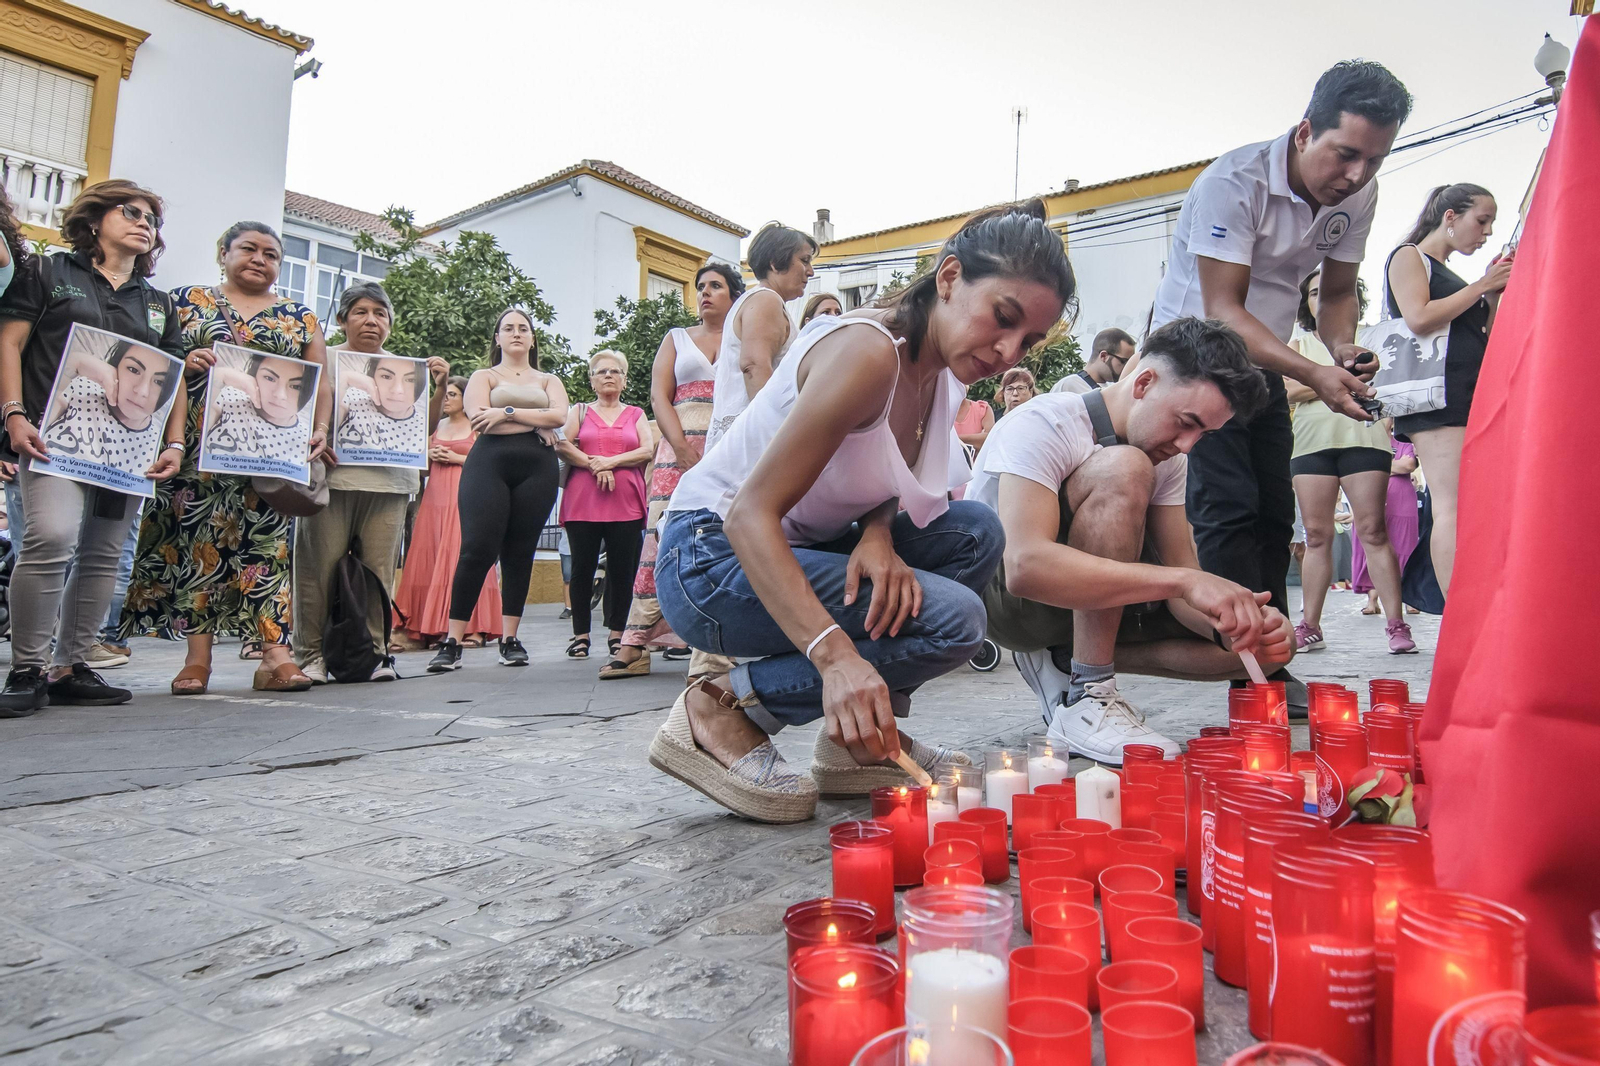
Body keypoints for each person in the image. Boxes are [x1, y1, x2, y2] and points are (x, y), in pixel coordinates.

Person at [651, 200, 1075, 823]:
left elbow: (875, 461)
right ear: (950, 278)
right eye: (1003, 318)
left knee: (974, 532)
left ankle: (853, 750)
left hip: (806, 543)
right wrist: (835, 658)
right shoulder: (867, 352)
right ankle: (724, 709)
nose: (1009, 351)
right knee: (957, 620)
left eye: (1029, 340)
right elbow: (748, 515)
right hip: (709, 561)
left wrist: (877, 533)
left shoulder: (948, 371)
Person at [1149, 60, 1412, 712]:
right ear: (1304, 133)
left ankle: (1269, 659)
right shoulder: (1233, 184)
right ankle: (1244, 672)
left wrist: (1342, 348)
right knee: (1228, 510)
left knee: (1273, 511)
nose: (1356, 175)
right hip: (1195, 359)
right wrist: (1315, 372)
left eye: (1374, 161)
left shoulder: (1357, 193)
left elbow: (1340, 293)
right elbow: (1223, 309)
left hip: (1264, 361)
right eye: (1345, 154)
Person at [978, 318, 1291, 760]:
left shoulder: (1170, 458)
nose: (1187, 445)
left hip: (1095, 603)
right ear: (1143, 382)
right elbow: (1025, 569)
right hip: (1012, 605)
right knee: (1125, 465)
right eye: (1186, 422)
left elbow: (1182, 582)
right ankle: (1088, 694)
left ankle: (1068, 660)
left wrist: (1230, 624)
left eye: (1204, 434)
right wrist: (1182, 581)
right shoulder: (1044, 422)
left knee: (1271, 647)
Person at [120, 220, 332, 696]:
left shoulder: (301, 317)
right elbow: (153, 361)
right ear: (224, 252)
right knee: (198, 546)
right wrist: (187, 360)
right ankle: (198, 659)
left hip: (271, 456)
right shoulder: (183, 301)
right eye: (250, 249)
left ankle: (277, 654)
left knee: (268, 549)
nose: (260, 259)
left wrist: (319, 429)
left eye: (271, 254)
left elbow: (321, 381)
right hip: (196, 449)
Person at [0, 180, 186, 714]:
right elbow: (9, 342)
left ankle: (71, 665)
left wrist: (173, 442)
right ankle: (26, 669)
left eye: (153, 218)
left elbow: (169, 378)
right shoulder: (47, 271)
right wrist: (12, 414)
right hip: (52, 438)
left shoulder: (156, 303)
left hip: (126, 452)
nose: (145, 223)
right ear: (95, 217)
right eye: (132, 211)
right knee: (51, 538)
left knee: (104, 554)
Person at [293, 283, 447, 683]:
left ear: (390, 325)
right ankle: (311, 655)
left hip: (391, 485)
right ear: (343, 319)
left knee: (378, 572)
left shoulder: (404, 369)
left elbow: (422, 429)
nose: (371, 321)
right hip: (331, 481)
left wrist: (440, 387)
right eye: (360, 312)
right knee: (317, 572)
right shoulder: (322, 358)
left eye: (380, 314)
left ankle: (377, 654)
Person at [608, 263, 743, 679]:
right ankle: (635, 640)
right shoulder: (676, 339)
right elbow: (658, 396)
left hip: (730, 450)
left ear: (734, 295)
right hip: (678, 448)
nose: (705, 293)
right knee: (661, 536)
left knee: (724, 538)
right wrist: (681, 447)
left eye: (716, 286)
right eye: (701, 286)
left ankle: (718, 641)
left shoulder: (747, 341)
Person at [1384, 183, 1508, 595]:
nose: (1486, 231)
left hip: (1464, 395)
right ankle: (1458, 618)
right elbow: (1418, 317)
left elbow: (1479, 333)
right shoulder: (1409, 256)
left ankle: (1467, 608)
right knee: (1451, 506)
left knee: (1466, 506)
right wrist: (1481, 287)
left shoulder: (1451, 273)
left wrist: (1488, 294)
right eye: (1482, 220)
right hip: (1438, 399)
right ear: (1450, 216)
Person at [427, 308, 567, 672]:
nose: (517, 333)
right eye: (508, 328)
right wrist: (530, 420)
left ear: (533, 338)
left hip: (538, 469)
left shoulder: (548, 378)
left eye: (524, 328)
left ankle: (510, 638)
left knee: (520, 552)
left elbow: (559, 417)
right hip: (488, 464)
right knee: (476, 549)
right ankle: (452, 640)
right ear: (498, 338)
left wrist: (504, 412)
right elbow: (480, 420)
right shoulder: (483, 375)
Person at [1286, 268, 1415, 654]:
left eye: (1328, 292)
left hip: (1365, 438)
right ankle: (1310, 625)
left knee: (1373, 531)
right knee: (1317, 535)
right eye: (1312, 293)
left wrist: (1320, 383)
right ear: (1305, 302)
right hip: (1310, 445)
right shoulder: (1296, 342)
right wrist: (1337, 379)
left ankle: (1396, 623)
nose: (1320, 299)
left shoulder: (1370, 340)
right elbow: (1286, 392)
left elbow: (1384, 386)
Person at [556, 350, 653, 666]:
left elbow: (647, 450)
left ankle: (617, 635)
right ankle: (580, 636)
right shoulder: (580, 411)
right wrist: (594, 465)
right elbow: (562, 443)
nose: (608, 375)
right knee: (582, 568)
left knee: (623, 571)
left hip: (625, 501)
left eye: (615, 371)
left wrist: (610, 461)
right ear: (591, 380)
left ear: (625, 380)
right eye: (601, 371)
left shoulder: (636, 414)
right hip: (583, 499)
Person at [393, 376, 501, 646]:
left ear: (466, 399)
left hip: (465, 497)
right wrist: (428, 457)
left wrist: (456, 458)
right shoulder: (435, 426)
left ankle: (475, 627)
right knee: (428, 556)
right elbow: (422, 470)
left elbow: (490, 465)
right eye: (446, 394)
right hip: (433, 498)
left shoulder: (477, 427)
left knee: (462, 556)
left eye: (452, 394)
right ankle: (426, 627)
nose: (447, 399)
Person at [704, 223, 815, 449]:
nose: (810, 271)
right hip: (752, 441)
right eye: (804, 260)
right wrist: (776, 439)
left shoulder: (760, 300)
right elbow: (754, 366)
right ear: (775, 262)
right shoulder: (766, 299)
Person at [41, 340, 180, 476]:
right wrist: (75, 362)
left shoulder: (155, 443)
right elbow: (40, 423)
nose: (142, 391)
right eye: (133, 370)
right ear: (115, 365)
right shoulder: (83, 389)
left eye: (159, 382)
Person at [201, 352, 316, 464]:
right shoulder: (230, 399)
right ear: (255, 373)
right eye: (269, 378)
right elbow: (196, 430)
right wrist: (221, 375)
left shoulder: (307, 438)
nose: (280, 395)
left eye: (296, 386)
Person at [1353, 435, 1421, 615]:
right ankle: (1372, 600)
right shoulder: (1364, 442)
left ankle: (1409, 598)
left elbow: (1408, 465)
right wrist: (1393, 467)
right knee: (1371, 544)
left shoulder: (1403, 443)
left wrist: (1377, 467)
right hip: (1371, 496)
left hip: (1402, 499)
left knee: (1405, 546)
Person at [335, 351, 430, 456]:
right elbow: (324, 429)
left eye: (410, 379)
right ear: (372, 376)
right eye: (386, 377)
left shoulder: (424, 425)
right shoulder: (353, 398)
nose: (397, 390)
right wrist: (345, 378)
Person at [1051, 327, 1135, 394]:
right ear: (1103, 356)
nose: (1127, 367)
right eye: (1123, 361)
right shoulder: (1068, 385)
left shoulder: (1112, 390)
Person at [954, 386, 995, 453]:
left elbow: (989, 440)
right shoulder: (937, 411)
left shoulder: (983, 409)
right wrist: (975, 439)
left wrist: (952, 440)